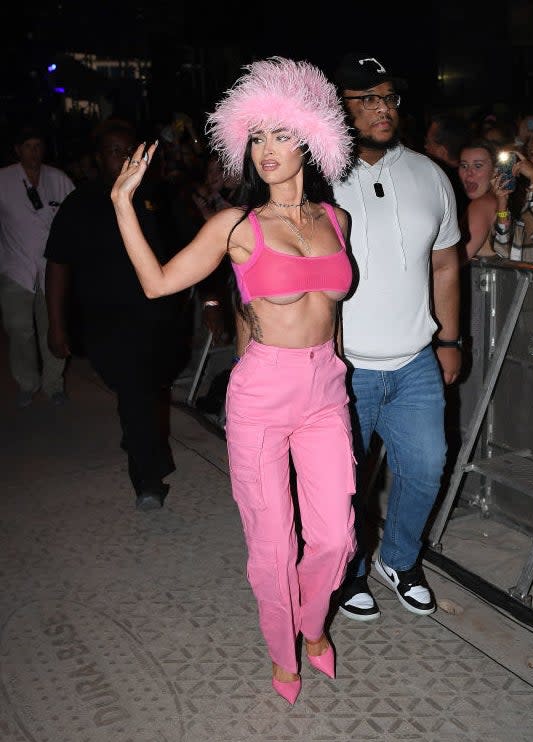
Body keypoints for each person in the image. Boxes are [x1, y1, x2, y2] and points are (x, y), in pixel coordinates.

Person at [110, 57, 357, 705]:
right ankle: (286, 652)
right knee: (273, 545)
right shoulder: (237, 226)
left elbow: (331, 316)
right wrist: (121, 205)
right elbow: (158, 282)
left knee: (335, 534)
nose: (267, 150)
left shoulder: (336, 220)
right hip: (263, 395)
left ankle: (312, 624)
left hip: (327, 389)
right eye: (257, 137)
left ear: (310, 138)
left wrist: (338, 369)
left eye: (280, 135)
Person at [331, 53, 462, 621]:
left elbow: (446, 265)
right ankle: (351, 570)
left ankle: (400, 559)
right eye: (368, 99)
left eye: (389, 97)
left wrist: (450, 340)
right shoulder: (318, 178)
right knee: (346, 483)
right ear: (339, 108)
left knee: (428, 464)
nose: (383, 109)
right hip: (345, 364)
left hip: (415, 363)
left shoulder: (431, 175)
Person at [44, 118, 186, 511]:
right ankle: (148, 480)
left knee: (148, 390)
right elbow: (57, 264)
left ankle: (141, 440)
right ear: (97, 158)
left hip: (159, 318)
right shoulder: (82, 203)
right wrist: (56, 325)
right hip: (109, 323)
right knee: (136, 392)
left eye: (129, 149)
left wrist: (209, 302)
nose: (123, 157)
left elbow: (187, 249)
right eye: (113, 150)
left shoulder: (156, 196)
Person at [0, 125, 75, 407]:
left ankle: (54, 385)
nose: (34, 152)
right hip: (14, 268)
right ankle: (26, 383)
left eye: (38, 146)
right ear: (18, 150)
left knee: (53, 328)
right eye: (28, 146)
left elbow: (75, 217)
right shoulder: (4, 180)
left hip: (52, 270)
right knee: (18, 329)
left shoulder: (58, 179)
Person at [491, 126, 533, 265]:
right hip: (530, 284)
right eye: (532, 154)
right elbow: (503, 251)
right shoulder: (530, 197)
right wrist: (502, 205)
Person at [457, 138, 500, 263]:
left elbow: (455, 261)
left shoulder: (482, 204)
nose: (469, 173)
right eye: (464, 165)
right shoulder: (498, 201)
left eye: (478, 166)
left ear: (495, 171)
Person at [424, 112, 471, 219]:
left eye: (428, 142)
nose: (425, 147)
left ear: (442, 151)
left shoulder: (436, 180)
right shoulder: (474, 176)